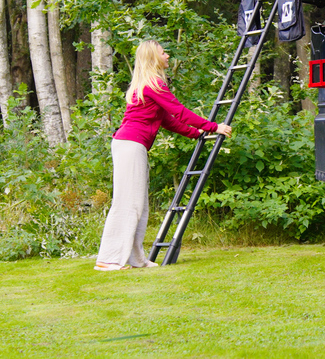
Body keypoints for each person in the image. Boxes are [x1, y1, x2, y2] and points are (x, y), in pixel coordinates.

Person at [94, 40, 232, 271]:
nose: (167, 56)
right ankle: (108, 259)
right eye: (163, 52)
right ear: (153, 57)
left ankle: (136, 259)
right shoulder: (153, 84)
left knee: (139, 205)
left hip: (130, 145)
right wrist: (213, 126)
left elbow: (167, 120)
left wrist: (195, 133)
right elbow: (179, 111)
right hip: (130, 144)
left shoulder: (148, 85)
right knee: (128, 203)